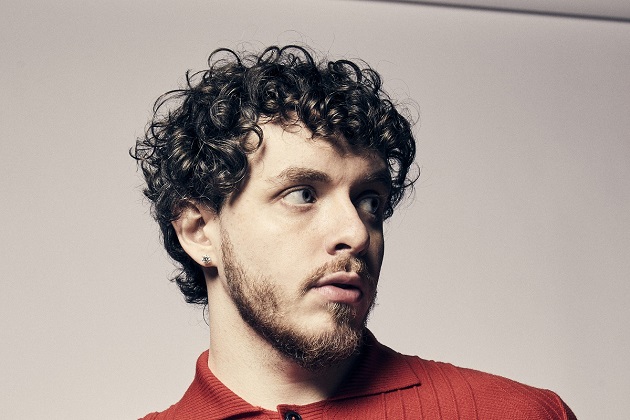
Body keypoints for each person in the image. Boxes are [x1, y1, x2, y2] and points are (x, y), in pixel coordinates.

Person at [132, 45, 576, 419]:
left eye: (369, 202)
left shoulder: (518, 413)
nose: (357, 233)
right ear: (199, 231)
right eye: (303, 194)